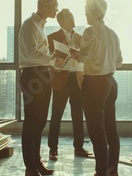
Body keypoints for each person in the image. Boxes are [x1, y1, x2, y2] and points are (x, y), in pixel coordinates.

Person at [71, 0, 122, 176]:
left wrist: (75, 50)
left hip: (95, 85)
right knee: (111, 129)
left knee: (96, 131)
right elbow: (119, 62)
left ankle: (101, 172)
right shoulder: (113, 33)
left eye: (86, 9)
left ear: (94, 12)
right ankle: (112, 169)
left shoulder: (90, 31)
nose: (84, 13)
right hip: (111, 83)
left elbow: (81, 58)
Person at [18, 0, 58, 176]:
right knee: (32, 122)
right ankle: (30, 167)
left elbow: (40, 55)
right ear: (44, 5)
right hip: (33, 75)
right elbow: (32, 53)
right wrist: (53, 57)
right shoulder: (30, 25)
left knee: (41, 121)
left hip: (43, 74)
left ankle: (36, 162)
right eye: (54, 5)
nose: (57, 8)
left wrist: (53, 62)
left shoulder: (40, 26)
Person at [47, 9, 92, 161]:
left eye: (73, 17)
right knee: (56, 115)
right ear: (61, 22)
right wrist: (59, 59)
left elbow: (86, 57)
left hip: (77, 78)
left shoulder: (80, 37)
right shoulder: (52, 38)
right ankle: (53, 149)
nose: (74, 21)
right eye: (70, 19)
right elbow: (49, 61)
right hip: (61, 79)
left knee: (78, 115)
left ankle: (78, 147)